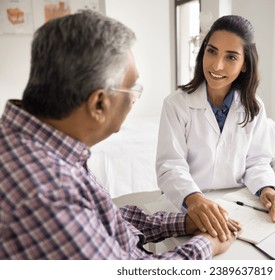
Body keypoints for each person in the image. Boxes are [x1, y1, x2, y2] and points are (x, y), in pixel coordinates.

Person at [0, 10, 238, 260]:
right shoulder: (50, 191)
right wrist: (206, 245)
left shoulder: (45, 147)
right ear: (99, 104)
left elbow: (102, 219)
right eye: (133, 87)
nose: (135, 98)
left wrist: (183, 223)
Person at [156, 15, 275, 242]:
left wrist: (268, 188)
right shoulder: (176, 104)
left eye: (231, 57)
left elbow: (257, 161)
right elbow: (170, 166)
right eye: (212, 51)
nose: (217, 65)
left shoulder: (254, 106)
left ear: (245, 64)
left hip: (238, 205)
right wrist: (194, 199)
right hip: (188, 205)